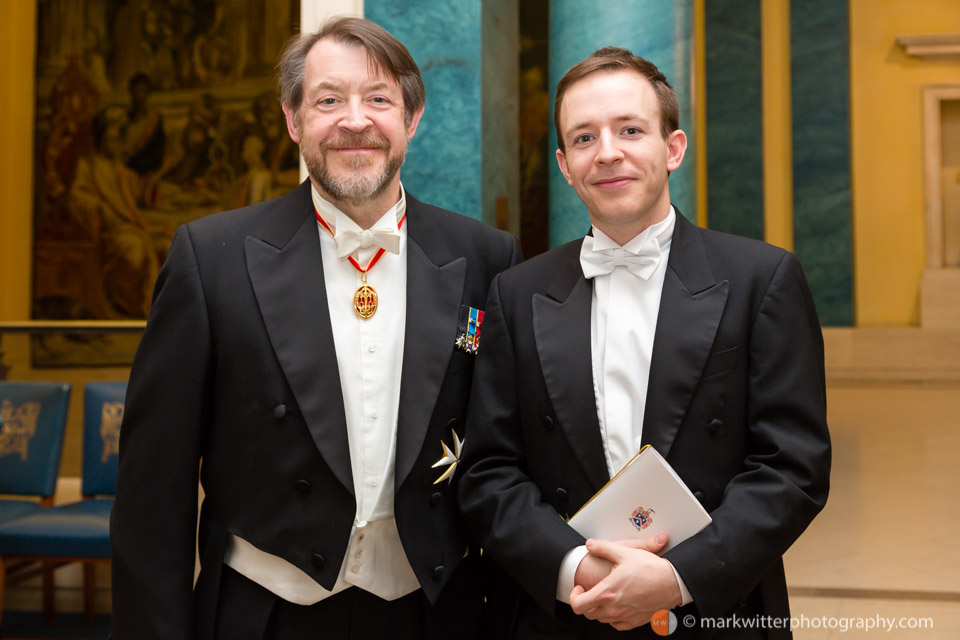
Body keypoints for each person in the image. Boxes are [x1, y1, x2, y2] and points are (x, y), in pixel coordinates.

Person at [110, 17, 521, 640]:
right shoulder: (210, 257)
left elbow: (505, 453)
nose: (355, 120)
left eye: (378, 98)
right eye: (328, 100)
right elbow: (152, 487)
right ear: (293, 121)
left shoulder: (488, 258)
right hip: (266, 612)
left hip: (438, 611)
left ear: (412, 119)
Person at [458, 47, 830, 639]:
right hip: (561, 614)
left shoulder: (763, 279)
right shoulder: (516, 293)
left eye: (630, 129)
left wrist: (677, 577)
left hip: (716, 608)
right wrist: (575, 569)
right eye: (584, 138)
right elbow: (487, 470)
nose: (607, 152)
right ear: (564, 164)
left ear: (672, 147)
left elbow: (794, 468)